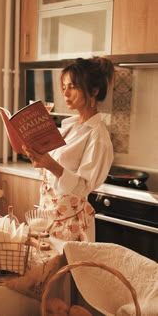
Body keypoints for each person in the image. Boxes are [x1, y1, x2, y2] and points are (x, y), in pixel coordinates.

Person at [23, 57, 114, 242]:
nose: (65, 93)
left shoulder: (98, 136)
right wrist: (38, 156)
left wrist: (50, 164)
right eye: (64, 87)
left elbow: (82, 188)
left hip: (71, 226)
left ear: (94, 91)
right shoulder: (69, 126)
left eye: (72, 87)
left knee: (64, 270)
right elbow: (53, 169)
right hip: (47, 217)